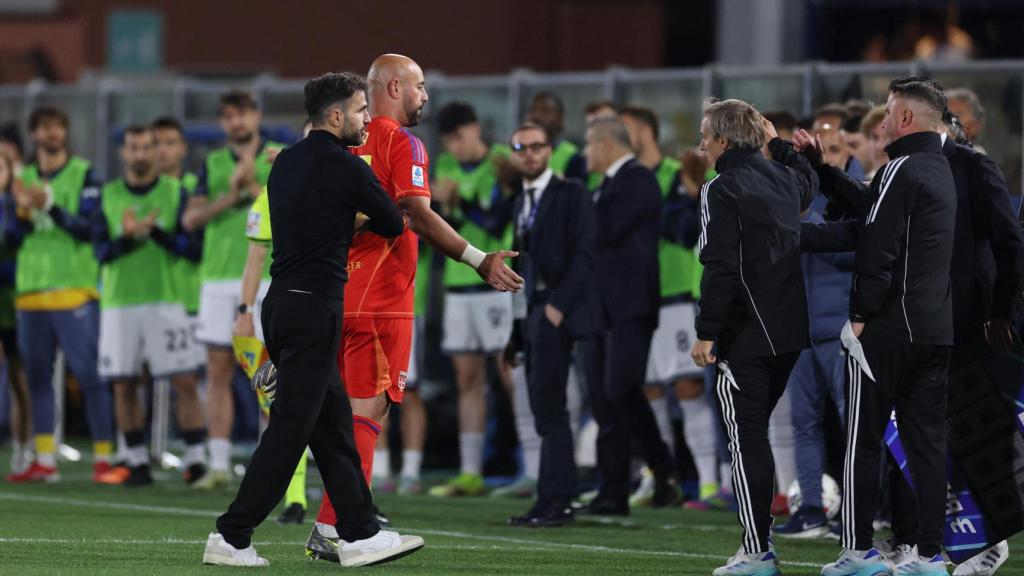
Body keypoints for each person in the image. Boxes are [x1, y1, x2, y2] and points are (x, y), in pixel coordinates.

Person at [203, 72, 423, 568]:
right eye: (361, 111)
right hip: (314, 309)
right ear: (336, 116)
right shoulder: (345, 165)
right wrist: (355, 216)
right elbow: (394, 221)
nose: (367, 120)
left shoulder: (284, 162)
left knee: (333, 428)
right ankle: (232, 535)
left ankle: (359, 533)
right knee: (289, 430)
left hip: (280, 304)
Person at [308, 54, 522, 561]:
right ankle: (343, 528)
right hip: (380, 298)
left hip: (333, 293)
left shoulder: (337, 141)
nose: (425, 95)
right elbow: (417, 214)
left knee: (338, 414)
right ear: (394, 87)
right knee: (367, 414)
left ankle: (329, 522)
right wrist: (479, 259)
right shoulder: (401, 142)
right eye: (420, 85)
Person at [799, 77, 957, 576]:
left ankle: (857, 551)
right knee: (925, 446)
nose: (882, 121)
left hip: (887, 329)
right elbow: (872, 220)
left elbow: (876, 248)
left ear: (905, 118)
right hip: (935, 328)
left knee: (862, 442)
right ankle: (929, 557)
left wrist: (859, 316)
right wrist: (823, 173)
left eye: (887, 112)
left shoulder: (899, 168)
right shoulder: (944, 167)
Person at [692, 99, 815, 576]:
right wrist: (779, 145)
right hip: (789, 332)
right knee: (755, 436)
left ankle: (757, 551)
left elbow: (720, 265)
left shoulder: (720, 187)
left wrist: (707, 332)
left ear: (723, 140)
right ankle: (759, 545)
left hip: (744, 333)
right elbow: (808, 181)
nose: (701, 145)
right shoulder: (783, 177)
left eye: (706, 136)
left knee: (746, 442)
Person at [90, 126, 206, 486]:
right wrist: (128, 237)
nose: (140, 154)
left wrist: (153, 232)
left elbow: (192, 250)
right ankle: (137, 461)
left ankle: (196, 460)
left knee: (185, 380)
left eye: (146, 147)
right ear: (123, 153)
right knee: (123, 384)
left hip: (165, 300)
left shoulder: (177, 192)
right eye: (133, 148)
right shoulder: (108, 195)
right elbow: (100, 252)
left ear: (156, 153)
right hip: (119, 303)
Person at [6, 106, 114, 483]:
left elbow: (90, 229)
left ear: (65, 132)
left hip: (74, 289)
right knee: (37, 377)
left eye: (57, 127)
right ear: (33, 135)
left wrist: (49, 206)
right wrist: (21, 214)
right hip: (31, 291)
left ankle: (104, 459)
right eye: (43, 128)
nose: (51, 134)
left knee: (89, 375)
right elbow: (10, 237)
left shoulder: (85, 174)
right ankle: (45, 460)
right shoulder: (21, 179)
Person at [183, 91, 285, 489]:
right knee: (218, 370)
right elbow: (191, 219)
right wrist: (232, 195)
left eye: (242, 114)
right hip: (217, 277)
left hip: (265, 275)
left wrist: (255, 185)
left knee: (268, 370)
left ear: (257, 116)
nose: (235, 122)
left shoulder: (279, 156)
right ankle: (220, 464)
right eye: (228, 116)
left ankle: (273, 463)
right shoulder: (210, 163)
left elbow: (295, 205)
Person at [504, 121, 599, 527]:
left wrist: (558, 307)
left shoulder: (571, 192)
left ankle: (557, 500)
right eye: (521, 148)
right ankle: (549, 499)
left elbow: (586, 251)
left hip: (555, 309)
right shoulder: (521, 200)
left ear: (550, 150)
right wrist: (516, 332)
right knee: (543, 405)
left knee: (552, 406)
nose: (529, 154)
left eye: (537, 146)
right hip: (534, 311)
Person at [621, 105, 707, 507]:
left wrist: (688, 194)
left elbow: (689, 231)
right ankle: (661, 479)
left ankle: (710, 481)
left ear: (645, 130)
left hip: (676, 294)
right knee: (650, 390)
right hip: (640, 297)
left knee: (688, 387)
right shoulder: (626, 179)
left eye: (625, 128)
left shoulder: (677, 172)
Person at [576, 117, 661, 517]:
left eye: (589, 144)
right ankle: (616, 489)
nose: (585, 153)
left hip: (630, 306)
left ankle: (654, 472)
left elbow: (604, 232)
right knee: (607, 397)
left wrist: (579, 216)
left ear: (607, 143)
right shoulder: (607, 185)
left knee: (618, 392)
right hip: (603, 308)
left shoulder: (638, 180)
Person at [428, 101, 514, 498]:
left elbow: (496, 221)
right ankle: (470, 471)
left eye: (459, 137)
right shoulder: (446, 165)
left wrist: (457, 204)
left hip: (497, 283)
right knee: (466, 378)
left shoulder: (500, 163)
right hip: (459, 284)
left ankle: (534, 465)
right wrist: (447, 206)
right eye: (448, 140)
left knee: (510, 374)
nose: (455, 147)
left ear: (476, 129)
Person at [232, 119, 313, 524]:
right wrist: (244, 312)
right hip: (284, 309)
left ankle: (357, 497)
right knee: (279, 400)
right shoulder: (275, 189)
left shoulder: (347, 185)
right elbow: (255, 256)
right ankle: (295, 497)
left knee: (340, 404)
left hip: (339, 306)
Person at [151, 116, 209, 484]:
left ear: (183, 148)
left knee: (193, 380)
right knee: (171, 380)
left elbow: (193, 247)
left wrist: (156, 233)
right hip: (151, 299)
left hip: (191, 296)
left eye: (169, 143)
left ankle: (203, 455)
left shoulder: (194, 189)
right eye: (156, 143)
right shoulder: (136, 190)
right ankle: (140, 454)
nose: (162, 151)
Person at [0, 150, 30, 476]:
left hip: (11, 301)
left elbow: (19, 247)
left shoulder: (15, 210)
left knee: (19, 378)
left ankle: (23, 448)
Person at [528, 92, 588, 183]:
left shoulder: (573, 158)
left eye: (545, 111)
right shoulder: (515, 153)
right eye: (533, 110)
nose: (537, 116)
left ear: (560, 118)